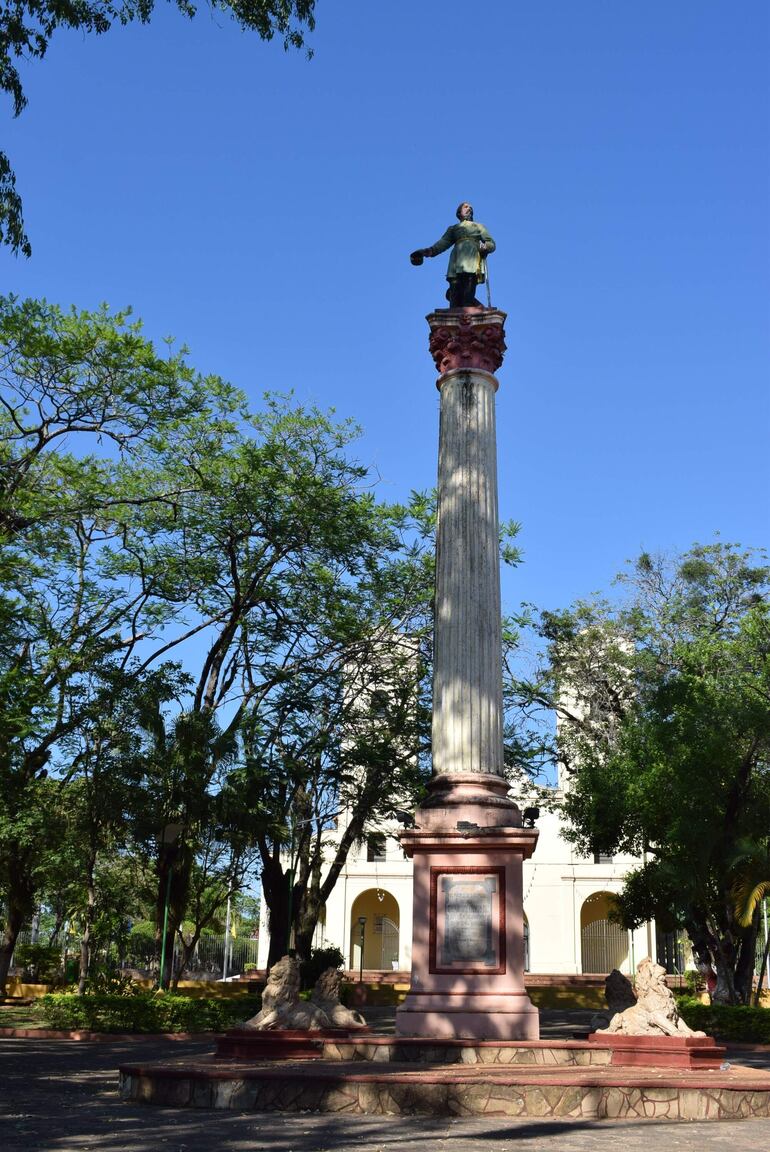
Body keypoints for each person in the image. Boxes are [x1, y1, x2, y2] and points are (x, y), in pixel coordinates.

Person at [410, 202, 495, 308]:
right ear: (459, 213)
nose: (469, 208)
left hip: (471, 259)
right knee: (454, 292)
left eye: (471, 208)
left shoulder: (478, 226)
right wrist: (427, 251)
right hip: (456, 261)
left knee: (467, 289)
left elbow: (491, 243)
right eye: (466, 207)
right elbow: (442, 243)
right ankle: (460, 309)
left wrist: (486, 247)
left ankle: (471, 308)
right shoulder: (453, 229)